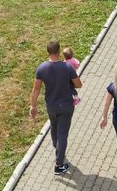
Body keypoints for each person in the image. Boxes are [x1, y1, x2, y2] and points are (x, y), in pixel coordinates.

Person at [29, 40, 83, 176]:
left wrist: (33, 106)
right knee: (62, 134)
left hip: (51, 106)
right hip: (66, 106)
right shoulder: (67, 68)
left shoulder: (41, 68)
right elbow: (78, 85)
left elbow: (36, 89)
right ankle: (59, 165)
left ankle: (57, 147)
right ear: (59, 52)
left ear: (48, 51)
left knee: (54, 126)